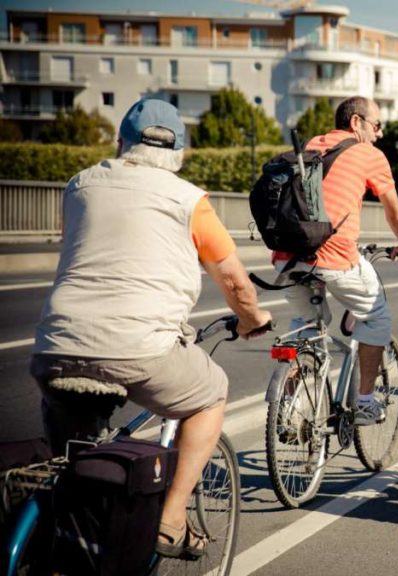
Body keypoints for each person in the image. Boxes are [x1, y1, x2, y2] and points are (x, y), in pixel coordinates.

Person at [31, 98, 273, 560]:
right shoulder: (189, 200)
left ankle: (65, 535)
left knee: (71, 462)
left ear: (121, 142)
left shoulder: (79, 185)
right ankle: (171, 518)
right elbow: (236, 282)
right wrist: (253, 320)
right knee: (211, 393)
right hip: (138, 348)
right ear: (178, 154)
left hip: (56, 344)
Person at [273, 96, 398, 426]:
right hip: (334, 255)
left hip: (287, 255)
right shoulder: (369, 154)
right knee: (377, 314)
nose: (380, 134)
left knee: (307, 327)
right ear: (356, 123)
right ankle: (365, 402)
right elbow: (393, 210)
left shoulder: (313, 145)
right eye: (377, 125)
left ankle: (289, 406)